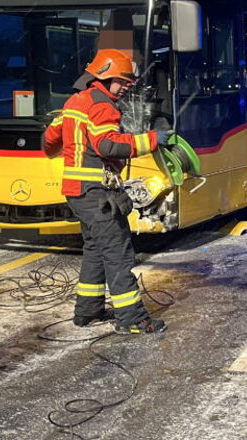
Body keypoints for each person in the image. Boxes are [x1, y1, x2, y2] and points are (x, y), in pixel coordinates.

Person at [44, 49, 172, 334]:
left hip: (77, 193)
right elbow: (108, 145)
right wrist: (152, 139)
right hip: (97, 193)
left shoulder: (74, 102)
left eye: (129, 82)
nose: (126, 87)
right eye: (122, 81)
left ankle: (88, 311)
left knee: (94, 249)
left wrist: (72, 149)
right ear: (104, 77)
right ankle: (132, 319)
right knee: (118, 253)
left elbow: (49, 140)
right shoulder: (103, 106)